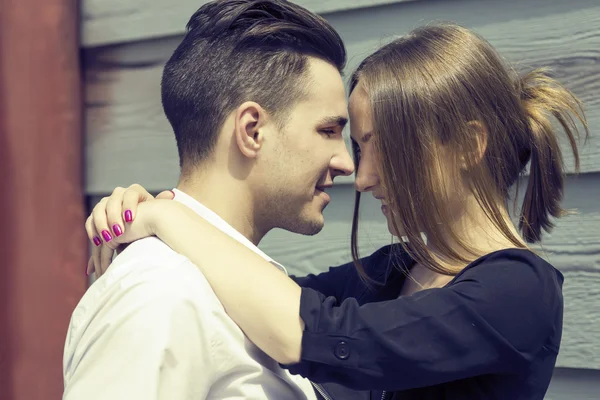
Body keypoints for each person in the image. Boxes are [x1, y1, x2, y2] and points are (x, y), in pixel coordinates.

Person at [86, 23, 589, 400]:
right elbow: (257, 291)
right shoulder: (398, 269)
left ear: (467, 144)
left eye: (380, 148)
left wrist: (168, 218)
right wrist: (159, 208)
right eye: (351, 143)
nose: (363, 176)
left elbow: (307, 331)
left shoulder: (519, 292)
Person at [63, 1, 355, 399]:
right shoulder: (161, 294)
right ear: (252, 131)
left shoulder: (221, 288)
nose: (346, 163)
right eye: (328, 130)